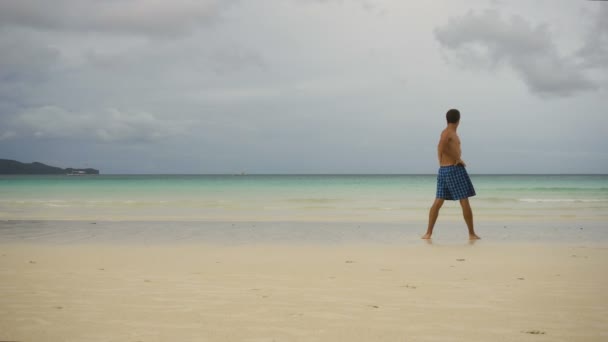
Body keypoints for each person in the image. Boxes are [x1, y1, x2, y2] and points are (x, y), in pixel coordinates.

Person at [422, 109, 480, 240]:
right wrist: (457, 159)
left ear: (447, 119)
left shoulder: (447, 132)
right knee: (464, 199)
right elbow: (441, 147)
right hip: (453, 169)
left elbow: (440, 148)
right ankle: (471, 234)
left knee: (438, 201)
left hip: (444, 170)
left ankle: (428, 233)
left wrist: (440, 161)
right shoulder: (448, 132)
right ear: (458, 120)